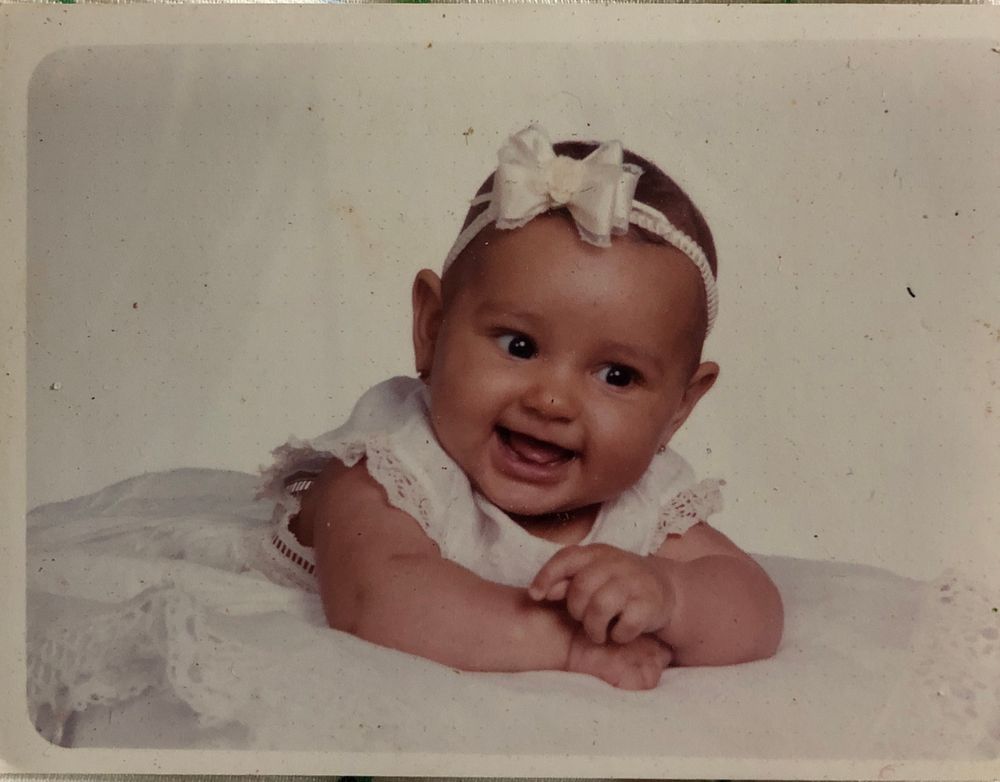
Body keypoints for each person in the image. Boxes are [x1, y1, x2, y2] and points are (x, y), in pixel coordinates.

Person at [258, 124, 783, 690]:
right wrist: (565, 644)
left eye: (617, 375)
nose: (551, 401)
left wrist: (671, 595)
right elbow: (375, 602)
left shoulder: (642, 499)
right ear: (432, 329)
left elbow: (754, 607)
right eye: (520, 347)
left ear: (679, 409)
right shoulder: (393, 466)